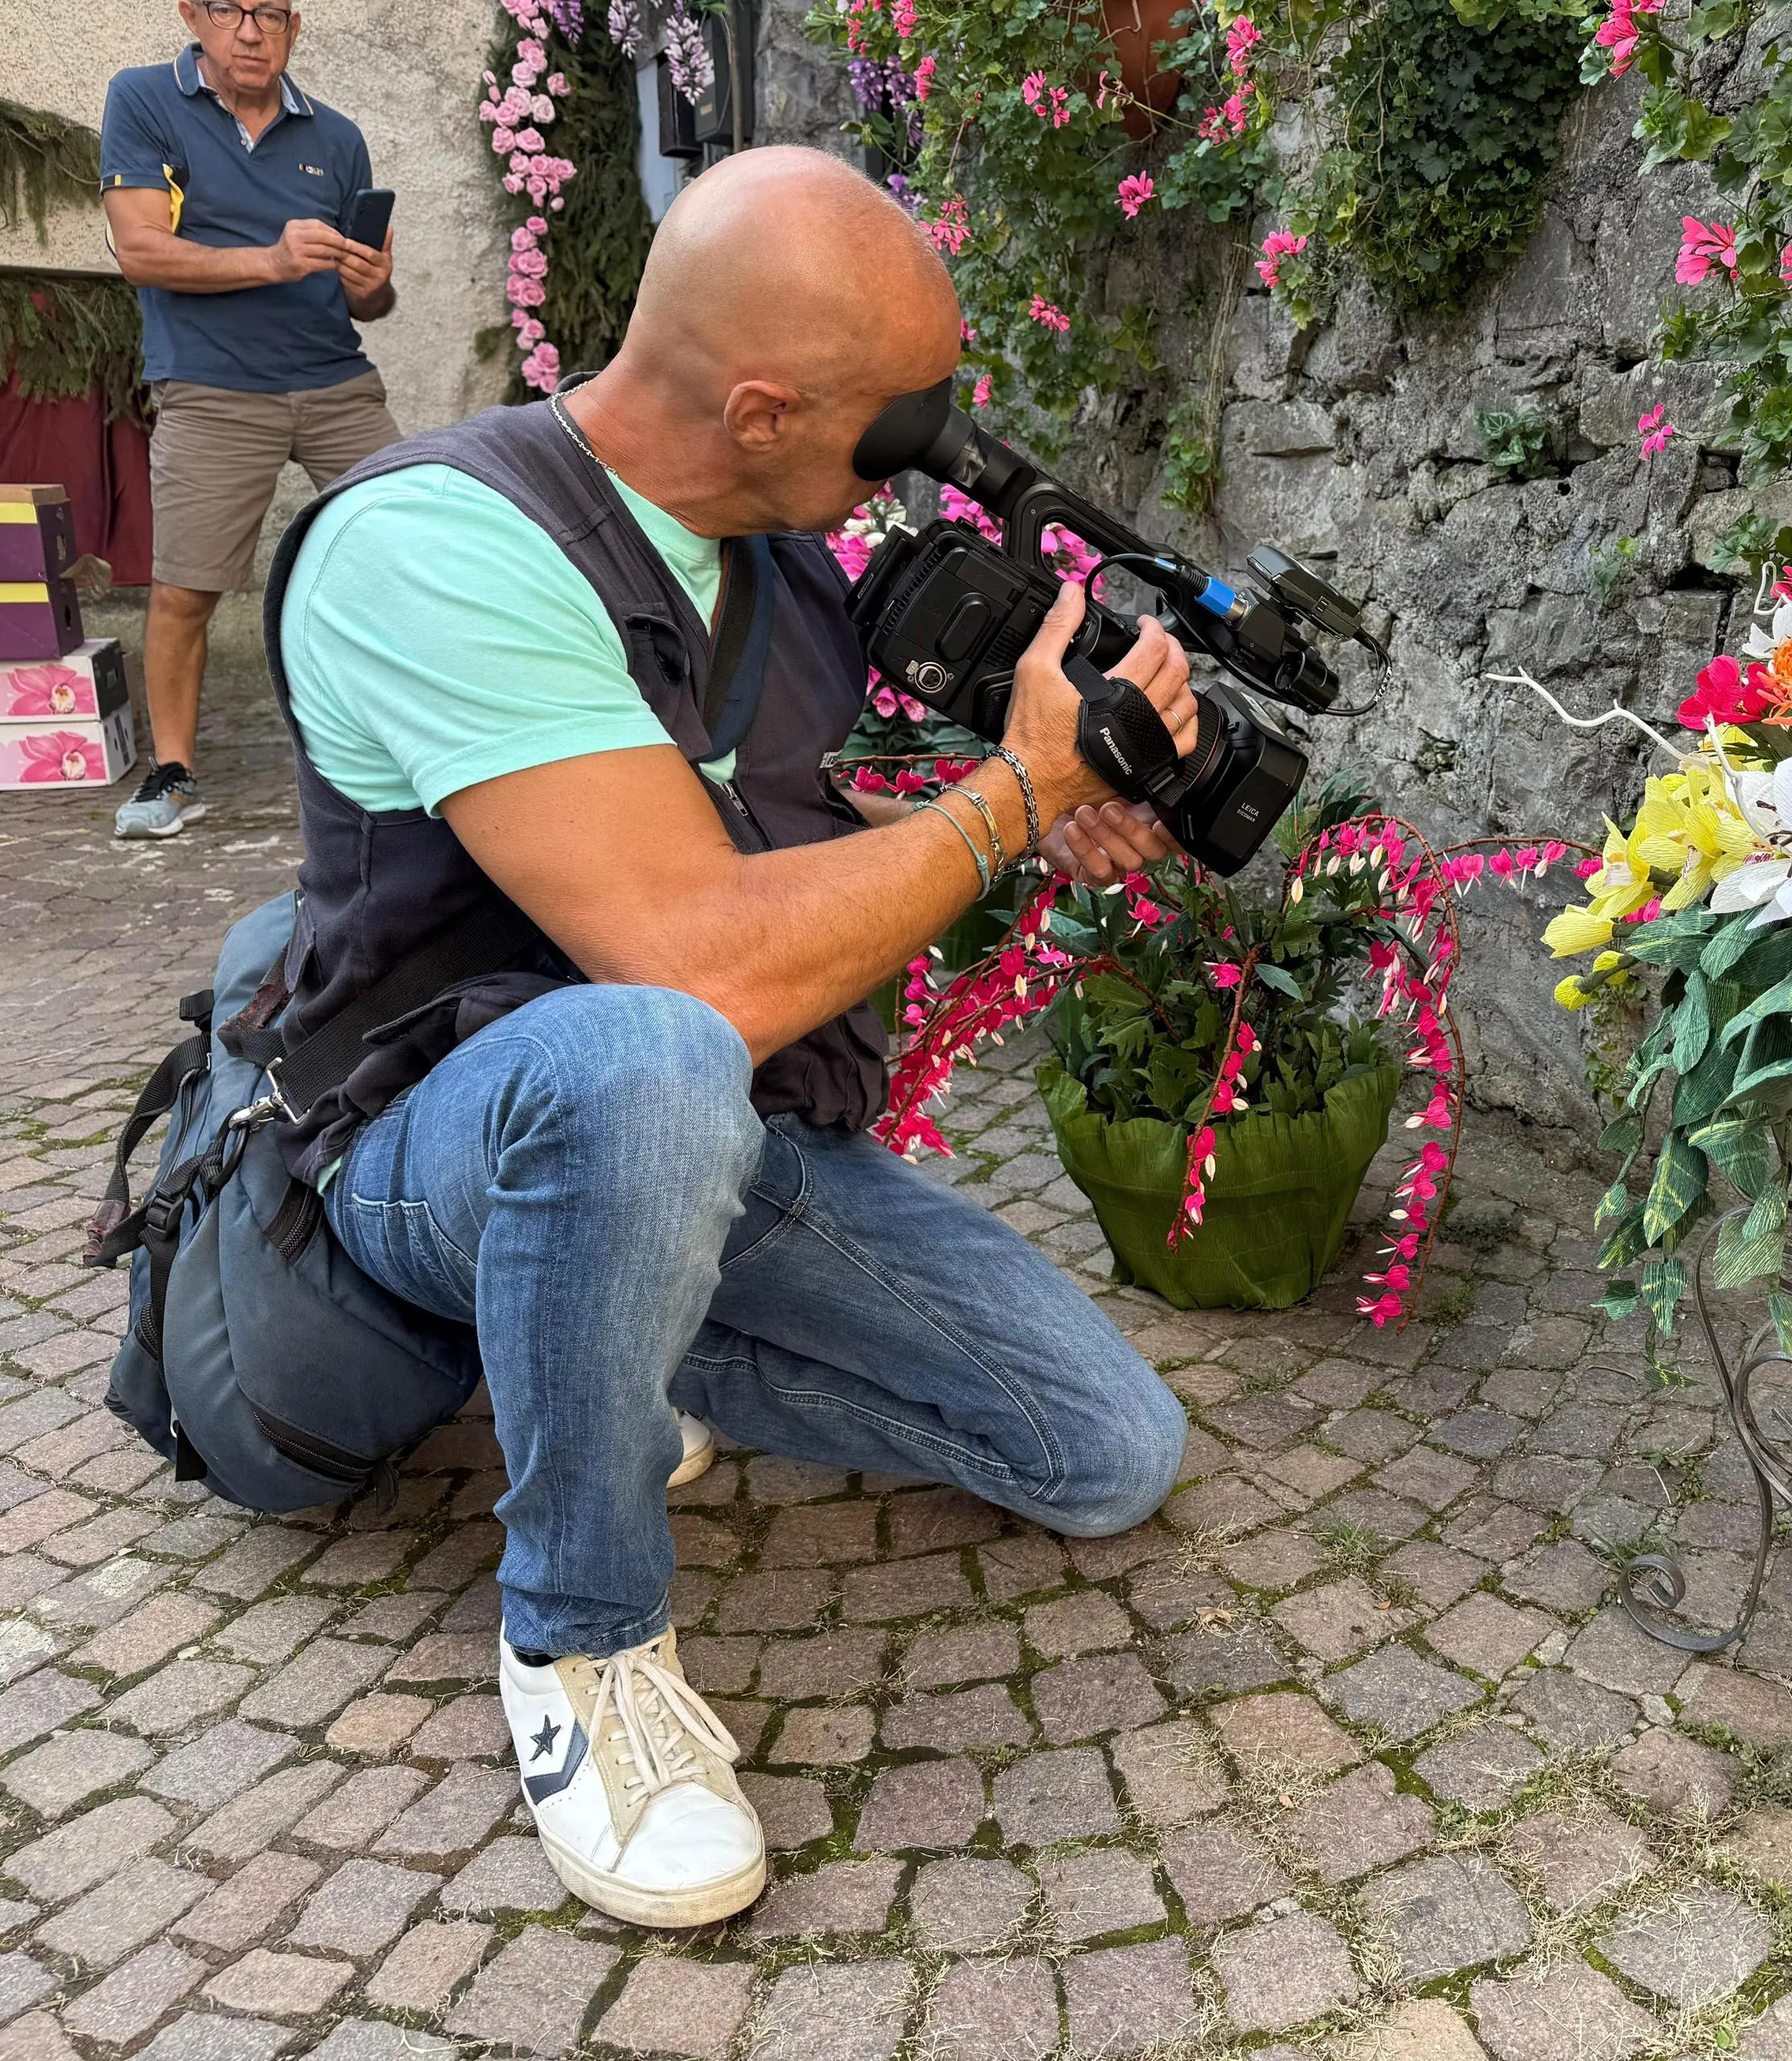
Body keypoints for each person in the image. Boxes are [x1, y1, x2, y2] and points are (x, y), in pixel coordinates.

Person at [266, 147, 1190, 1927]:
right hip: (420, 1124)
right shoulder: (433, 539)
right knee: (647, 1054)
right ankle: (581, 1640)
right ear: (762, 408)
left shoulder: (789, 556)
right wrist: (1013, 794)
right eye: (897, 427)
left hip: (708, 1133)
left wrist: (1040, 801)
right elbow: (697, 965)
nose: (925, 456)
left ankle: (601, 1333)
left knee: (1101, 1450)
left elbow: (821, 846)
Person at [100, 0, 402, 839]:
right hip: (212, 386)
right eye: (230, 8)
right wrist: (272, 260)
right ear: (195, 15)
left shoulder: (337, 138)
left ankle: (416, 750)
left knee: (413, 546)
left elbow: (374, 303)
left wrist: (368, 280)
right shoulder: (145, 100)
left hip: (337, 382)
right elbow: (141, 252)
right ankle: (171, 774)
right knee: (185, 587)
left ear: (294, 29)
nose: (250, 29)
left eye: (270, 12)